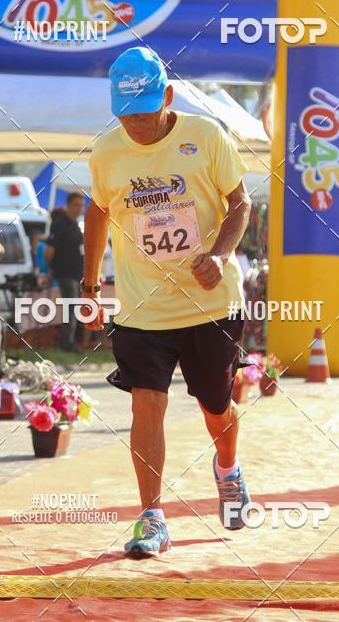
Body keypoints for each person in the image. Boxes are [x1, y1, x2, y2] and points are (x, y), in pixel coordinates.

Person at [83, 46, 252, 558]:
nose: (134, 124)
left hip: (210, 305)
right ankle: (152, 517)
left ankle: (228, 469)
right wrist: (90, 287)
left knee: (216, 408)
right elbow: (96, 212)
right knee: (147, 406)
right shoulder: (106, 151)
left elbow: (241, 203)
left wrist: (220, 256)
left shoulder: (205, 136)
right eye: (125, 114)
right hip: (142, 307)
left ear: (168, 98)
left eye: (144, 112)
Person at [45, 193, 85, 352]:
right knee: (71, 306)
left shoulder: (76, 225)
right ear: (68, 205)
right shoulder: (60, 224)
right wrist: (52, 267)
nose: (79, 208)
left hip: (76, 273)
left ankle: (68, 341)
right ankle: (67, 343)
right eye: (76, 205)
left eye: (81, 205)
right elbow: (49, 251)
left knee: (73, 307)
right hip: (65, 273)